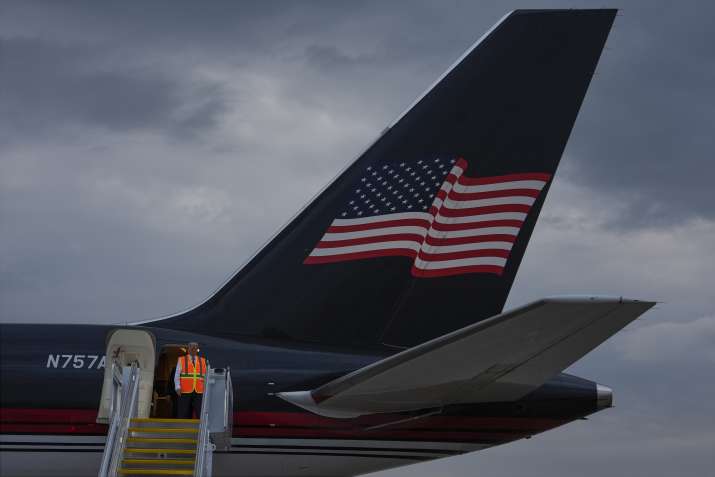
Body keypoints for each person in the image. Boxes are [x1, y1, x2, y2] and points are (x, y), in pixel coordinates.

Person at [174, 342, 208, 419]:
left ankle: (201, 430)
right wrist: (177, 387)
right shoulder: (181, 359)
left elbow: (206, 376)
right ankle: (181, 428)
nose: (193, 349)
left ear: (197, 349)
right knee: (183, 412)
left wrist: (206, 389)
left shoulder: (203, 360)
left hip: (199, 391)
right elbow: (177, 375)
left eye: (195, 347)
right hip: (184, 390)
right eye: (191, 347)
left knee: (200, 412)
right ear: (188, 349)